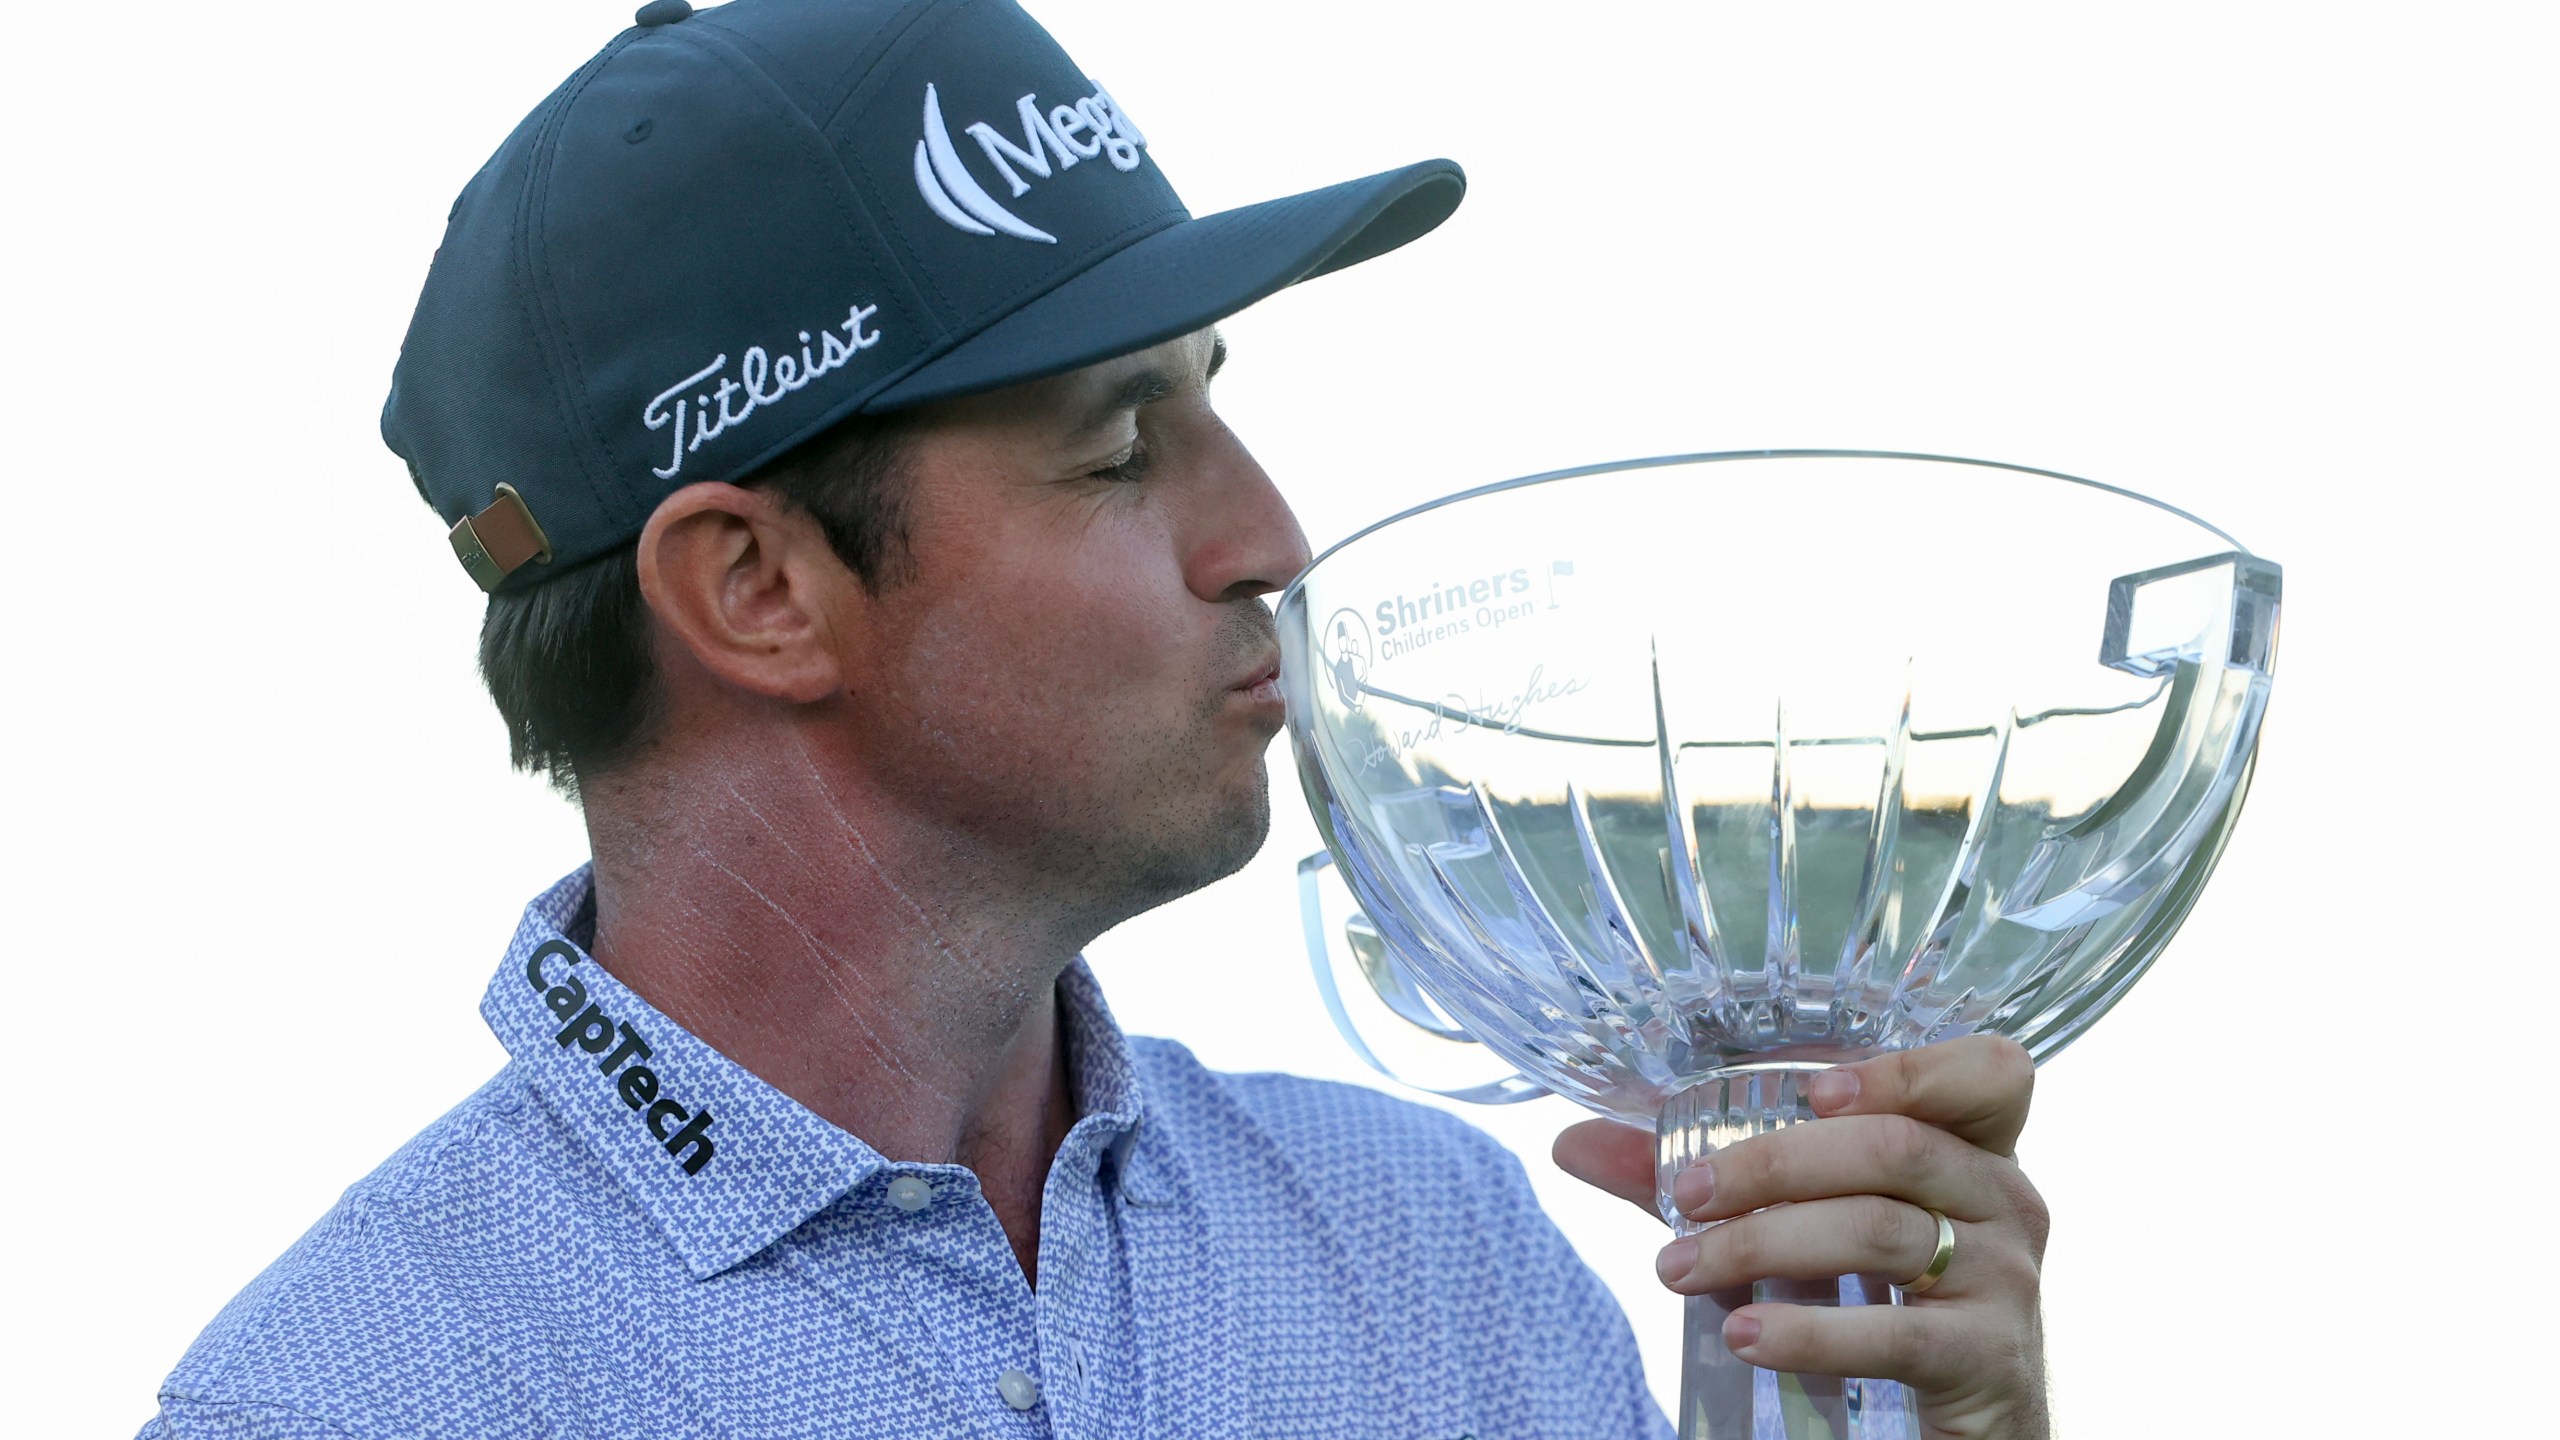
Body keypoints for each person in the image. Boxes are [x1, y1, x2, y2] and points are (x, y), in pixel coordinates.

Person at [142, 1, 2052, 1435]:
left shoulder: (1432, 1248)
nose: (1271, 538)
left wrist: (1914, 1421)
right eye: (1125, 446)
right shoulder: (343, 1402)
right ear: (756, 589)